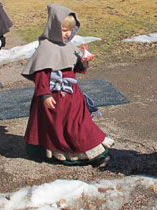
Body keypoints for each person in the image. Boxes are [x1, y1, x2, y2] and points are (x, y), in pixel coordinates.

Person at [21, 4, 113, 167]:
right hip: (54, 98)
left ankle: (92, 151)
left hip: (72, 96)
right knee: (57, 127)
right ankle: (67, 152)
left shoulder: (68, 46)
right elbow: (41, 74)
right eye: (64, 30)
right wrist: (45, 95)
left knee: (78, 124)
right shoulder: (46, 48)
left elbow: (75, 68)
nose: (68, 34)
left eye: (70, 30)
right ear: (54, 28)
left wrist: (83, 62)